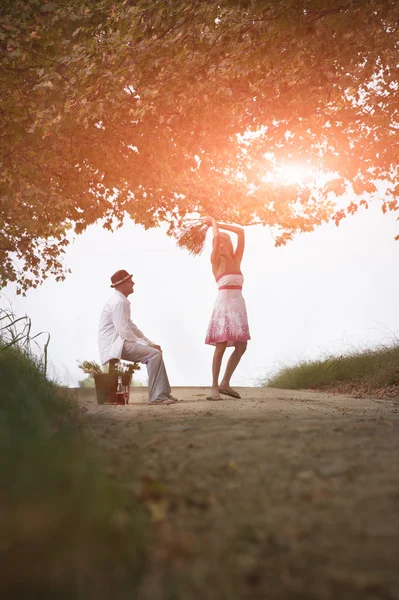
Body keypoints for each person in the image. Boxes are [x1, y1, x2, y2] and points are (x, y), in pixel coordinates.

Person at [98, 269, 178, 405]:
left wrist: (148, 343)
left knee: (155, 352)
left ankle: (163, 393)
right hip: (116, 344)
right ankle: (156, 397)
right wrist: (145, 344)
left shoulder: (121, 301)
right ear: (122, 285)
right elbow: (123, 330)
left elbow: (131, 327)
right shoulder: (118, 302)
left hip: (120, 341)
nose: (133, 283)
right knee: (154, 355)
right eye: (130, 281)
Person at [203, 217, 250, 401]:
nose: (221, 244)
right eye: (218, 242)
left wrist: (219, 224)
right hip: (223, 307)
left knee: (241, 346)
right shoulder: (216, 261)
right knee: (221, 346)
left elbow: (241, 232)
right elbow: (215, 240)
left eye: (225, 241)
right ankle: (214, 387)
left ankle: (225, 383)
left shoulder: (237, 258)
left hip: (238, 307)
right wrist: (213, 224)